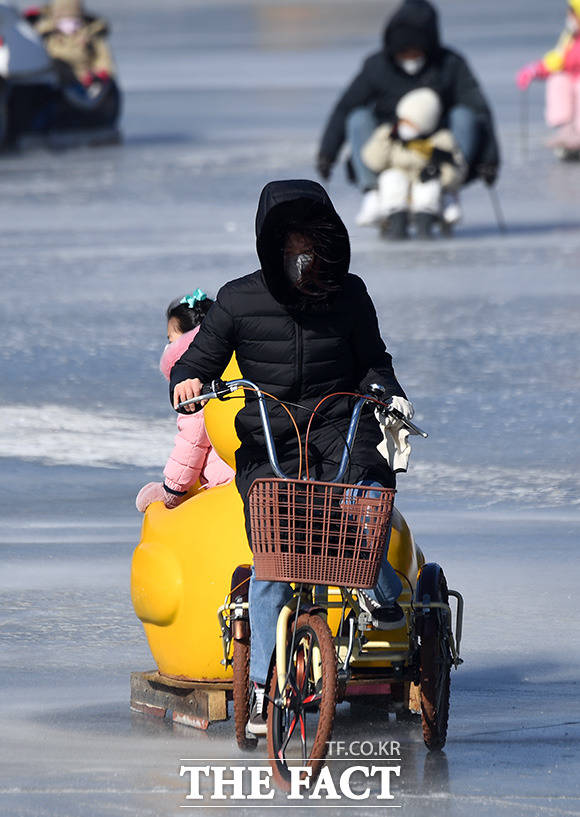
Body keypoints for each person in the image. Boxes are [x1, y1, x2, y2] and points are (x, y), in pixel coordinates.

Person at [170, 179, 415, 734]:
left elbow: (375, 361)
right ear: (272, 245)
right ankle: (262, 691)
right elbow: (198, 361)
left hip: (336, 426)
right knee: (275, 559)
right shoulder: (237, 298)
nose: (302, 255)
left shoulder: (349, 294)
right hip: (271, 436)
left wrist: (387, 392)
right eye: (291, 243)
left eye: (311, 242)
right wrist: (186, 384)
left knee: (366, 496)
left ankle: (374, 582)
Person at [316, 0, 499, 228]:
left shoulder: (451, 65)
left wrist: (489, 160)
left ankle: (448, 191)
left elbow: (478, 109)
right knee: (357, 118)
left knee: (465, 115)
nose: (410, 58)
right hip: (390, 147)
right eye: (403, 52)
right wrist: (327, 153)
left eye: (416, 52)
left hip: (436, 149)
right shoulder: (376, 66)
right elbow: (345, 107)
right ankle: (373, 191)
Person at [135, 291, 234, 513]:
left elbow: (192, 441)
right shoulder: (229, 367)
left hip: (222, 483)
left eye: (171, 339)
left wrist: (172, 490)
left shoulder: (194, 382)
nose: (167, 347)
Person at [361, 87, 467, 238]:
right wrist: (385, 140)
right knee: (391, 178)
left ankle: (425, 225)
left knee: (428, 187)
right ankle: (396, 224)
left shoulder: (440, 140)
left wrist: (438, 173)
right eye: (402, 120)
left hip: (422, 183)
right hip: (398, 184)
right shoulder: (389, 136)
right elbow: (374, 161)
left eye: (409, 123)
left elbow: (457, 170)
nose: (404, 126)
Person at [21, 0, 120, 132]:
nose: (71, 24)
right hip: (55, 79)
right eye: (66, 20)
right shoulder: (45, 34)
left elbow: (103, 58)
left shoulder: (90, 34)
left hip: (84, 81)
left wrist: (101, 74)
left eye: (74, 19)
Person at [516, 0, 580, 157]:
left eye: (572, 13)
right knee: (558, 80)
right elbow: (557, 61)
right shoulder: (570, 38)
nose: (569, 17)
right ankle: (566, 129)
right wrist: (535, 70)